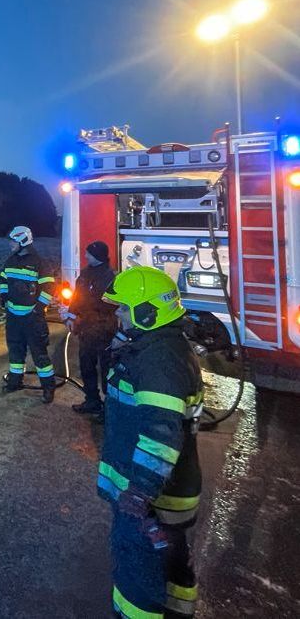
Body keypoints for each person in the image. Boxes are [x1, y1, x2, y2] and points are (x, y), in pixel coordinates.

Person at [99, 266, 204, 619]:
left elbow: (161, 433)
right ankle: (177, 611)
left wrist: (140, 492)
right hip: (172, 490)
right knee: (172, 563)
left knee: (137, 574)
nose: (117, 314)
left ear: (147, 314)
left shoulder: (159, 362)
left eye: (123, 309)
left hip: (153, 498)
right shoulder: (160, 347)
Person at [0, 225, 57, 403]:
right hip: (14, 317)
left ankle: (48, 387)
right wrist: (4, 298)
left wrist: (38, 308)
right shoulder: (10, 261)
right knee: (15, 351)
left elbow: (49, 287)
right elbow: (3, 280)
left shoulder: (40, 263)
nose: (10, 244)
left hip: (32, 318)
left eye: (13, 241)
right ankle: (15, 381)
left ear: (23, 241)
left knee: (39, 354)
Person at [61, 240, 117, 417]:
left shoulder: (111, 276)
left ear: (98, 256)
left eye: (89, 254)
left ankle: (110, 409)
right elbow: (77, 297)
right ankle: (92, 401)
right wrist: (71, 316)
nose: (85, 256)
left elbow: (113, 305)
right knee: (87, 366)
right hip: (86, 329)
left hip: (104, 330)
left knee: (107, 370)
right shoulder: (85, 274)